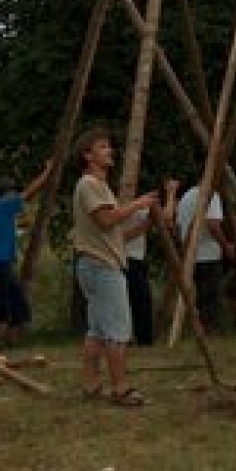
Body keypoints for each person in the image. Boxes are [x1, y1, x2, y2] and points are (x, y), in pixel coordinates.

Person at [72, 126, 159, 405]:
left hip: (96, 262)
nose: (109, 151)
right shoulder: (88, 185)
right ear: (88, 155)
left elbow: (113, 233)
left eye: (108, 146)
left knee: (97, 330)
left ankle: (90, 384)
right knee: (118, 329)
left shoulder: (100, 186)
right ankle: (121, 389)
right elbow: (107, 220)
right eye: (102, 147)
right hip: (100, 266)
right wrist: (138, 204)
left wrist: (145, 225)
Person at [0, 159, 52, 349]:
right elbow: (30, 192)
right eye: (13, 191)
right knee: (3, 303)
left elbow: (8, 227)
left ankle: (4, 339)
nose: (15, 194)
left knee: (9, 300)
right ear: (7, 193)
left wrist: (23, 226)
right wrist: (47, 172)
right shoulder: (5, 206)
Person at [122, 179, 177, 347]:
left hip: (135, 259)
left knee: (137, 301)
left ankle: (137, 338)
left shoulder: (135, 208)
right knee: (139, 300)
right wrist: (171, 193)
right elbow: (166, 217)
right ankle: (139, 339)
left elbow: (165, 218)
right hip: (128, 259)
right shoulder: (132, 209)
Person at [176, 180, 232, 333]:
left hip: (191, 255)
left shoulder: (186, 196)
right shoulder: (211, 196)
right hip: (208, 254)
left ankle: (201, 328)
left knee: (201, 295)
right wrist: (225, 245)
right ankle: (208, 331)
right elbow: (213, 224)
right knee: (210, 297)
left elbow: (179, 225)